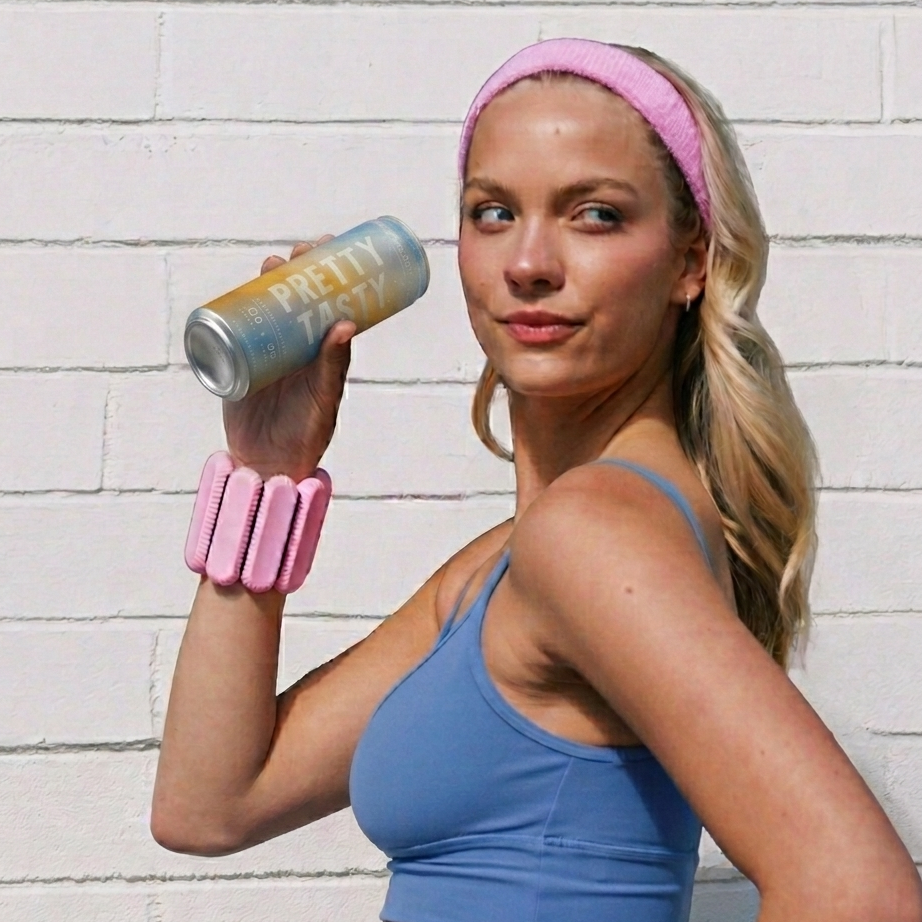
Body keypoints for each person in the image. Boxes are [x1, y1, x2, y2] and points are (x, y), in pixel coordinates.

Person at [151, 39, 922, 922]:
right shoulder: (517, 559)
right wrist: (266, 475)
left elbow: (861, 895)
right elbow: (210, 805)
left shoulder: (590, 536)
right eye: (493, 213)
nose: (528, 264)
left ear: (692, 262)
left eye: (595, 215)